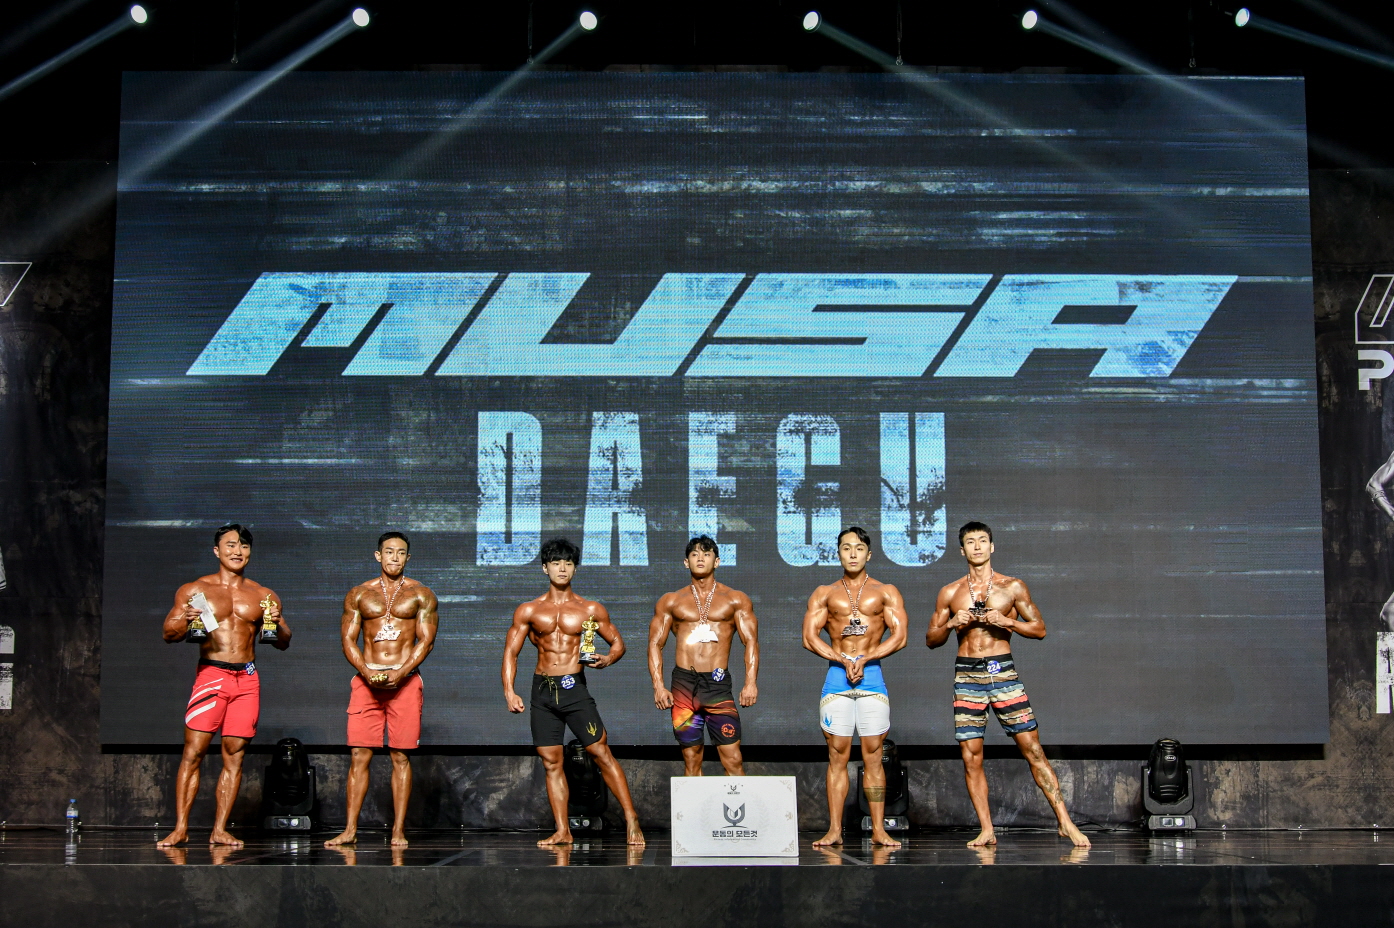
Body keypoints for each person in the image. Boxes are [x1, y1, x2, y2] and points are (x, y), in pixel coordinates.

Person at [928, 521, 1091, 849]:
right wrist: (950, 623)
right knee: (971, 755)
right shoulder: (950, 592)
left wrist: (1007, 622)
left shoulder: (1012, 587)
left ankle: (1065, 822)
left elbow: (1040, 629)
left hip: (1001, 671)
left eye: (982, 541)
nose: (977, 547)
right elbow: (931, 639)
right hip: (967, 675)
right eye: (970, 542)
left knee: (1032, 748)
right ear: (961, 550)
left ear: (992, 547)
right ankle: (987, 829)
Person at [502, 537, 645, 847]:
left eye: (568, 563)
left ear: (575, 569)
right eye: (556, 563)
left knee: (600, 752)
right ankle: (562, 830)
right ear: (545, 568)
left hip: (573, 688)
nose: (562, 568)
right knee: (551, 762)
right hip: (542, 691)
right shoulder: (529, 610)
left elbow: (618, 643)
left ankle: (631, 817)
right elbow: (511, 652)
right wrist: (509, 691)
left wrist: (607, 659)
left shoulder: (589, 609)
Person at [156, 524, 290, 847]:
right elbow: (169, 633)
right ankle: (181, 828)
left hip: (247, 679)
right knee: (194, 752)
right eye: (230, 545)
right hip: (212, 674)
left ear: (250, 552)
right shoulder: (195, 590)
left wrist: (278, 622)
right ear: (217, 551)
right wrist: (185, 618)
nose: (237, 551)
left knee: (235, 755)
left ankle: (219, 829)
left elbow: (283, 641)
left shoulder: (263, 595)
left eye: (243, 546)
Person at [324, 532, 439, 848]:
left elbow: (426, 641)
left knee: (400, 756)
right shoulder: (359, 593)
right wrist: (366, 672)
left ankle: (398, 830)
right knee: (359, 754)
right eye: (389, 552)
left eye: (400, 553)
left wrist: (401, 673)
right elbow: (348, 639)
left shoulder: (422, 594)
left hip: (405, 681)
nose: (394, 558)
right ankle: (350, 830)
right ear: (378, 555)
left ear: (407, 558)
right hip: (367, 681)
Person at [801, 527, 908, 847]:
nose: (852, 553)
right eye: (846, 548)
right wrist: (842, 659)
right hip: (837, 678)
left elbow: (900, 636)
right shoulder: (825, 593)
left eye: (859, 548)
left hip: (872, 678)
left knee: (874, 756)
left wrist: (866, 658)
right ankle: (834, 830)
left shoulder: (886, 591)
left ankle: (879, 829)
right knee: (837, 755)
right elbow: (809, 637)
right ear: (838, 553)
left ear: (868, 554)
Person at [648, 536, 759, 775]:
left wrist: (750, 683)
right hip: (684, 684)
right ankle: (694, 802)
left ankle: (738, 801)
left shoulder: (735, 599)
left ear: (716, 561)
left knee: (732, 758)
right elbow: (655, 644)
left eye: (707, 554)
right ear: (686, 562)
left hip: (717, 684)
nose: (700, 558)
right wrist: (658, 686)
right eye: (695, 554)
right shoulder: (671, 601)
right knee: (691, 758)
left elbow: (750, 641)